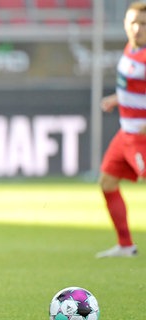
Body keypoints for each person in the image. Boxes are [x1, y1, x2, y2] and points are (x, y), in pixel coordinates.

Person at [95, 1, 146, 258]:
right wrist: (117, 98)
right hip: (125, 133)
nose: (137, 28)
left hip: (141, 136)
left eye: (143, 24)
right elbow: (134, 86)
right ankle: (126, 245)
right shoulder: (131, 48)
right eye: (132, 23)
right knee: (107, 181)